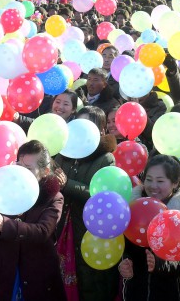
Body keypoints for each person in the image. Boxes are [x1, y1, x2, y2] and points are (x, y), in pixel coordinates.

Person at [0, 140, 67, 301]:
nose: (22, 172)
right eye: (19, 165)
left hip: (37, 271)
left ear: (45, 171)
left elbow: (43, 231)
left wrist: (4, 224)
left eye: (28, 169)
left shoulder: (53, 197)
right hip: (7, 269)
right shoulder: (6, 191)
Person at [56, 106, 118, 301]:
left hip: (88, 231)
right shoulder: (64, 152)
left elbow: (100, 196)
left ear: (101, 130)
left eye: (87, 126)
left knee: (90, 281)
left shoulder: (106, 158)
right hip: (62, 228)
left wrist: (67, 184)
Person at [119, 155, 180, 301]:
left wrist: (161, 264)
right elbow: (124, 246)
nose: (153, 186)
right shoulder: (133, 208)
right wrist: (125, 263)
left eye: (160, 181)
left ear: (175, 183)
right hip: (136, 290)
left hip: (173, 291)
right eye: (149, 179)